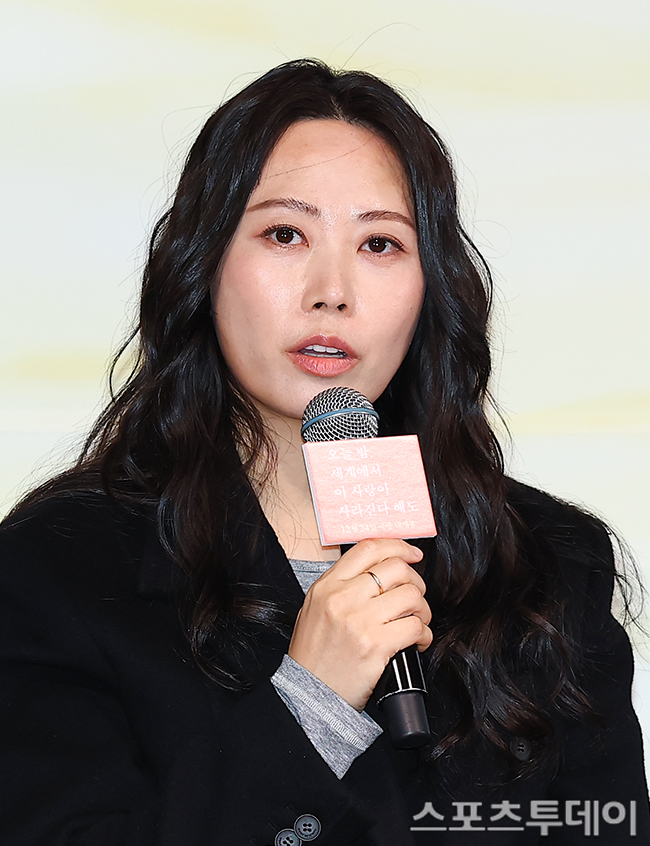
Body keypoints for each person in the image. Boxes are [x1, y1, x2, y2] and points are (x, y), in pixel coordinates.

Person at [0, 59, 647, 846]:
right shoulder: (59, 568)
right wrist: (312, 703)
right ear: (204, 265)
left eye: (380, 243)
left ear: (430, 288)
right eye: (285, 234)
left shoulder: (550, 563)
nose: (332, 291)